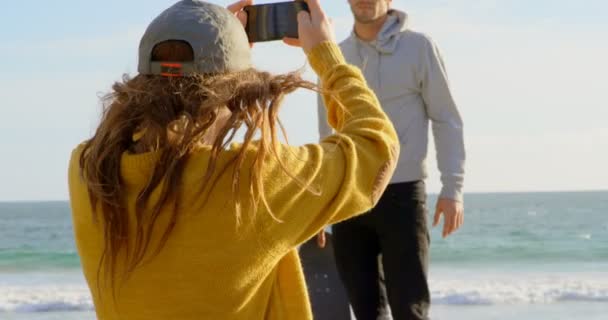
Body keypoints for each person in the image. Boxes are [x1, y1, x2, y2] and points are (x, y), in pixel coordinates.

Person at [67, 0, 399, 319]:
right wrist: (328, 58)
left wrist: (223, 46)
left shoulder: (88, 168)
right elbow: (377, 148)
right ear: (233, 93)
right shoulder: (253, 180)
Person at [316, 0, 466, 319]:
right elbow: (327, 135)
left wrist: (453, 189)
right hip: (350, 194)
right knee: (365, 309)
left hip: (402, 192)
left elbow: (446, 118)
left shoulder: (419, 47)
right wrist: (321, 202)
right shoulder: (335, 56)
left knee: (409, 308)